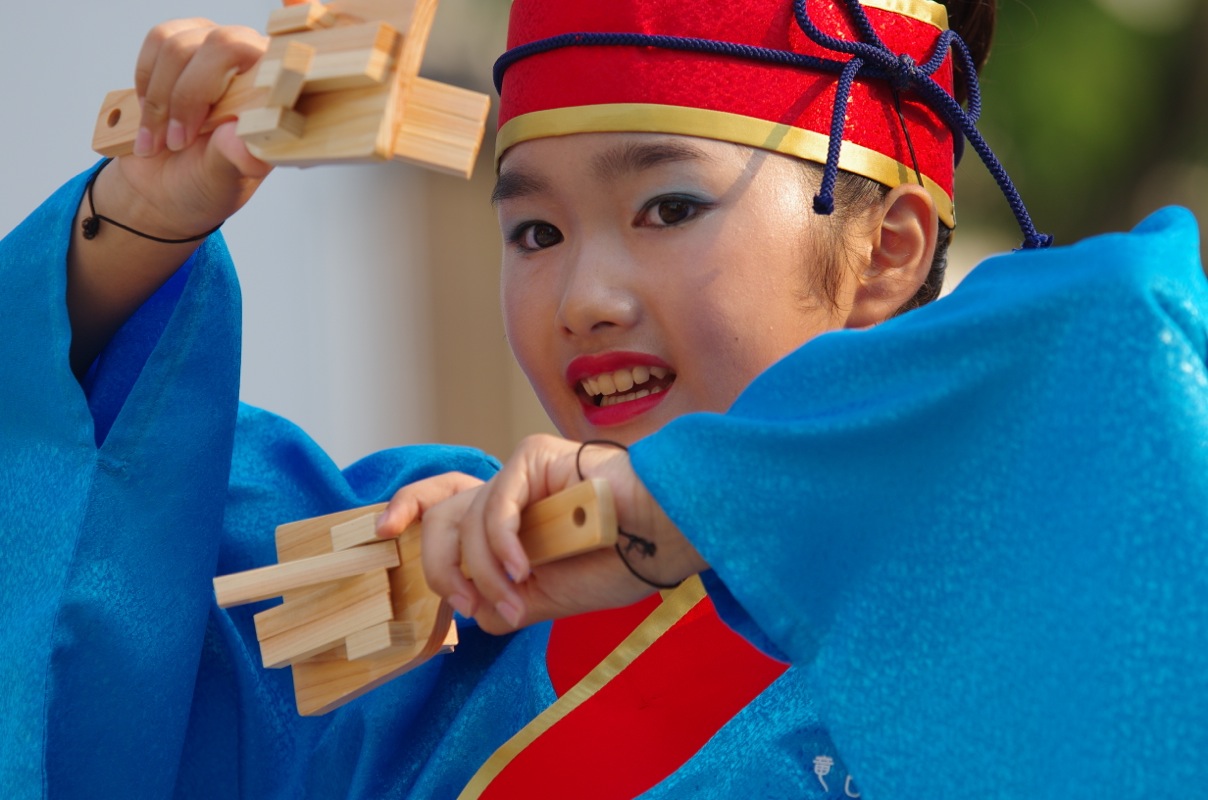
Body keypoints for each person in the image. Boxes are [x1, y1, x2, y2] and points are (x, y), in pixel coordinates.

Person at [1, 3, 1202, 800]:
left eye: (667, 208)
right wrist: (140, 223)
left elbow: (1123, 339)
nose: (579, 294)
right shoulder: (433, 598)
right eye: (533, 227)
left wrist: (676, 509)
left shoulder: (1013, 564)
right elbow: (97, 597)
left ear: (887, 249)